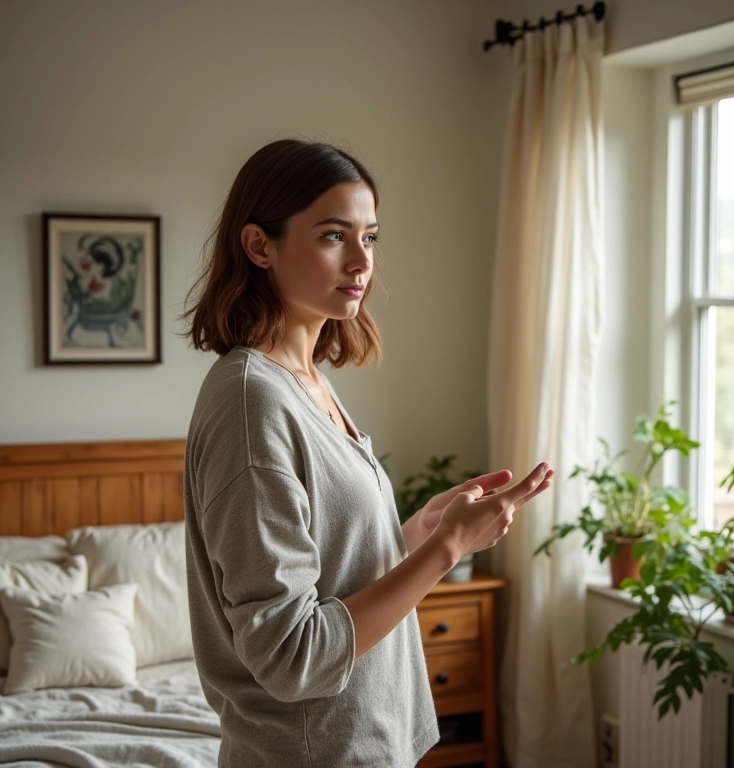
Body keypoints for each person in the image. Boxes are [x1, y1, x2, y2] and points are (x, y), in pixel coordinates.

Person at [182, 138, 554, 767]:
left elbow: (332, 577)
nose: (362, 261)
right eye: (334, 236)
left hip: (366, 742)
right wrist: (447, 549)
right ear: (259, 245)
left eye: (370, 237)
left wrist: (418, 533)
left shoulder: (306, 381)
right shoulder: (252, 404)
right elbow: (292, 658)